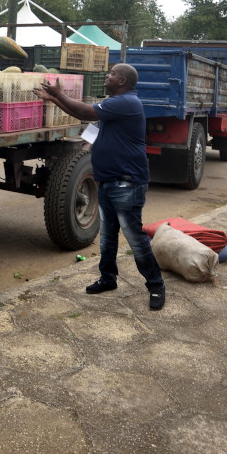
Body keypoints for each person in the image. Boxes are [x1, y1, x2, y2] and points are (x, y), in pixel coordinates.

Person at [34, 63, 166, 311]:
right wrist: (53, 97)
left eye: (113, 74)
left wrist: (58, 92)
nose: (108, 75)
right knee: (107, 236)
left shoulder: (126, 102)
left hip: (126, 182)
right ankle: (108, 279)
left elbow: (86, 111)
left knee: (134, 238)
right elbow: (85, 116)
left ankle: (156, 285)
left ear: (123, 82)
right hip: (107, 181)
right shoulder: (114, 104)